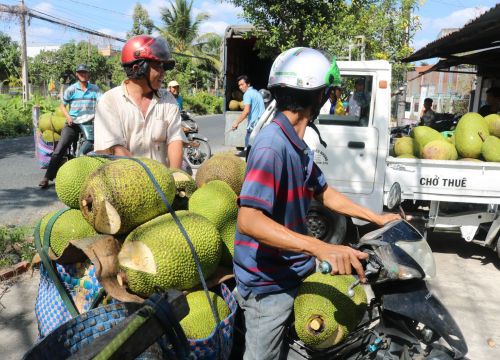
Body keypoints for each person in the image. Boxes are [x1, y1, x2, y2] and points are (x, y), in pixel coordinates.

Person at [233, 47, 401, 360]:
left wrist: (375, 217)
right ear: (318, 95)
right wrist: (319, 247)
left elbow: (324, 192)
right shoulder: (272, 146)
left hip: (293, 268)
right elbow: (250, 220)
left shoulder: (296, 143)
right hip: (267, 282)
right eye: (328, 93)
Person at [93, 35, 184, 169]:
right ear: (137, 69)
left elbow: (175, 140)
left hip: (162, 184)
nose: (163, 73)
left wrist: (175, 175)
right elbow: (116, 148)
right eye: (158, 66)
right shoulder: (109, 101)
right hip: (123, 181)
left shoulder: (168, 100)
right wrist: (147, 179)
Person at [38, 64, 100, 188]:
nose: (82, 74)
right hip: (73, 123)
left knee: (96, 146)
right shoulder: (71, 89)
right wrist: (68, 117)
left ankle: (90, 175)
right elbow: (62, 105)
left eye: (85, 72)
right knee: (59, 149)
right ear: (77, 75)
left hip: (88, 123)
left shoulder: (95, 89)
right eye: (80, 72)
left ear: (89, 74)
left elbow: (102, 101)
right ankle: (47, 177)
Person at [231, 75, 265, 151]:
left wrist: (236, 123)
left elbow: (246, 111)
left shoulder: (247, 94)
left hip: (253, 126)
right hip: (261, 125)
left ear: (248, 84)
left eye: (242, 84)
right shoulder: (256, 92)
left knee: (249, 149)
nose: (240, 87)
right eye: (239, 85)